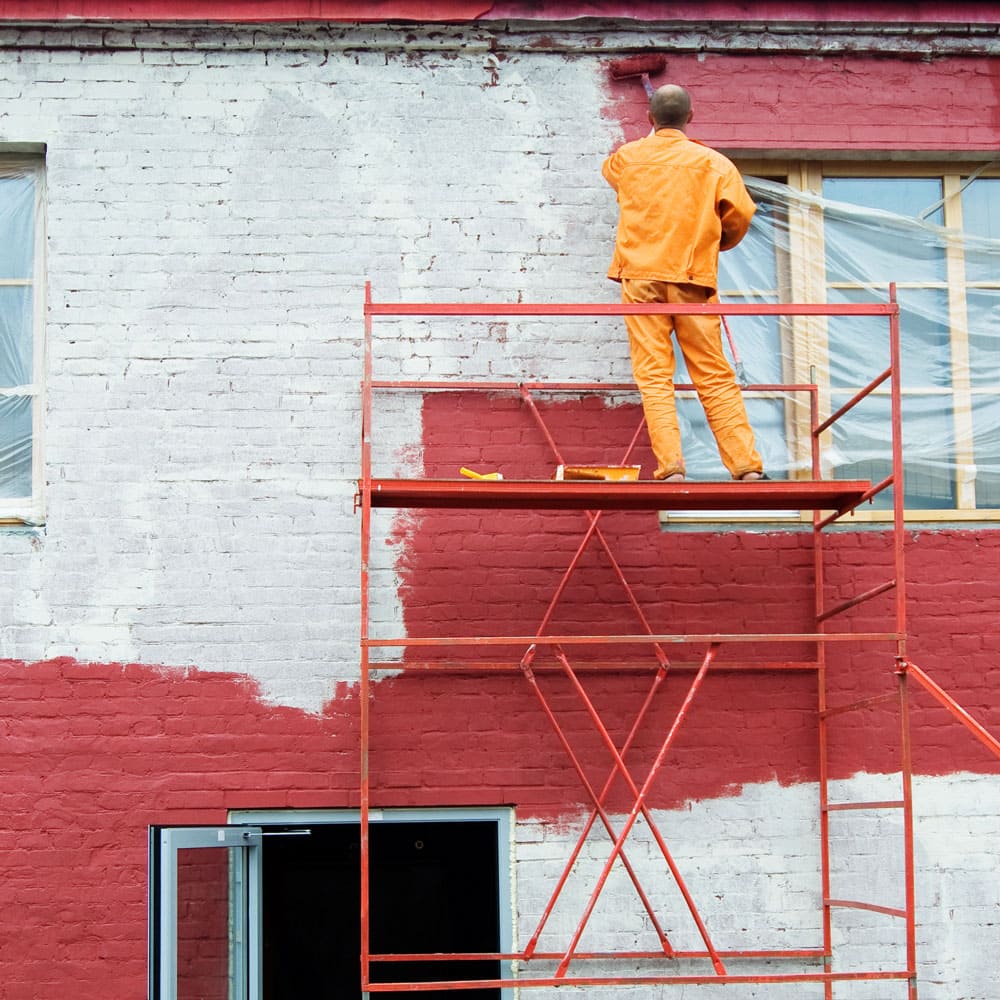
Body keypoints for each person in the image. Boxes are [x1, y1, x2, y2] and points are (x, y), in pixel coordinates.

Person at [602, 84, 765, 482]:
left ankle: (672, 466)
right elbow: (740, 213)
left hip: (641, 279)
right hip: (692, 277)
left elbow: (612, 173)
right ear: (691, 118)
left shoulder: (628, 158)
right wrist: (717, 242)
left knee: (655, 376)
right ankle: (744, 466)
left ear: (649, 119)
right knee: (712, 373)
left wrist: (651, 140)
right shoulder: (714, 164)